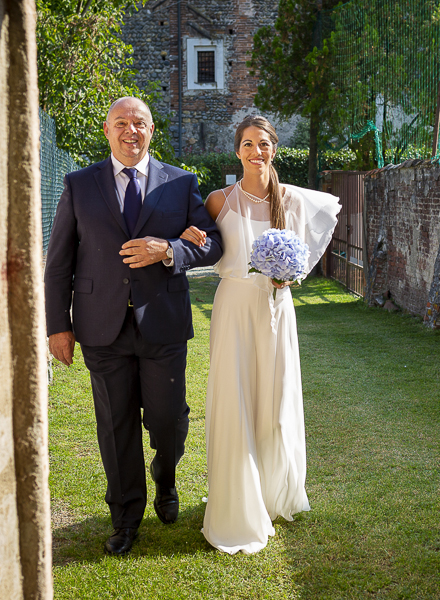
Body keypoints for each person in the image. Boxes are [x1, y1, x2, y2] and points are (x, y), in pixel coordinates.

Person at [44, 97, 224, 555]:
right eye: (121, 123)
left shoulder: (180, 183)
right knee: (115, 425)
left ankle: (166, 479)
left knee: (167, 422)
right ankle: (125, 518)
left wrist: (168, 249)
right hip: (100, 327)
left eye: (139, 123)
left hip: (162, 324)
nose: (130, 131)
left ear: (151, 131)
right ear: (107, 130)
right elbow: (59, 261)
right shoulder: (78, 184)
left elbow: (213, 245)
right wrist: (56, 326)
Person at [180, 115, 340, 553]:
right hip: (233, 307)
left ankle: (270, 493)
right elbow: (200, 240)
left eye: (264, 144)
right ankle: (237, 498)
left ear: (274, 149)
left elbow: (320, 226)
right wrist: (188, 235)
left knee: (274, 398)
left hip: (275, 308)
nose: (257, 152)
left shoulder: (289, 199)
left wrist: (292, 273)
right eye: (248, 144)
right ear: (238, 151)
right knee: (235, 396)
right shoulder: (218, 199)